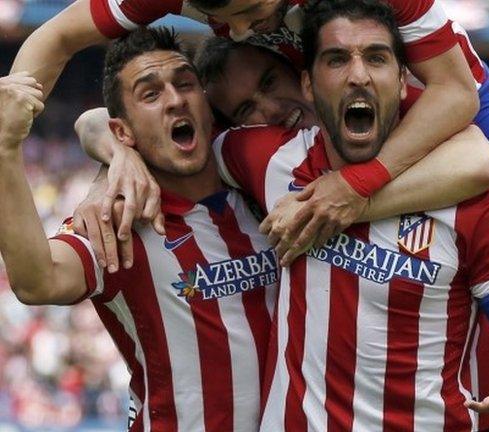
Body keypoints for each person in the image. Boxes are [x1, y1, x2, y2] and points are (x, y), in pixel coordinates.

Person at [12, 0, 489, 427]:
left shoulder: (382, 52)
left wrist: (359, 189)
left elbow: (474, 148)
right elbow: (51, 44)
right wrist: (112, 146)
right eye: (218, 19)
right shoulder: (269, 154)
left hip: (435, 97)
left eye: (254, 22)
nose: (234, 24)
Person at [208, 4, 489, 429]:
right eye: (336, 59)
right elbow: (170, 149)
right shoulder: (270, 160)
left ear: (403, 83)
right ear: (308, 83)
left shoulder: (477, 207)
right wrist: (113, 144)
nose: (358, 75)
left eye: (377, 58)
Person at [0, 28, 279, 430]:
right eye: (151, 94)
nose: (175, 99)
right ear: (123, 132)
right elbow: (37, 281)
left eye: (185, 84)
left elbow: (92, 124)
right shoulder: (122, 220)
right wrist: (7, 150)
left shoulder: (263, 193)